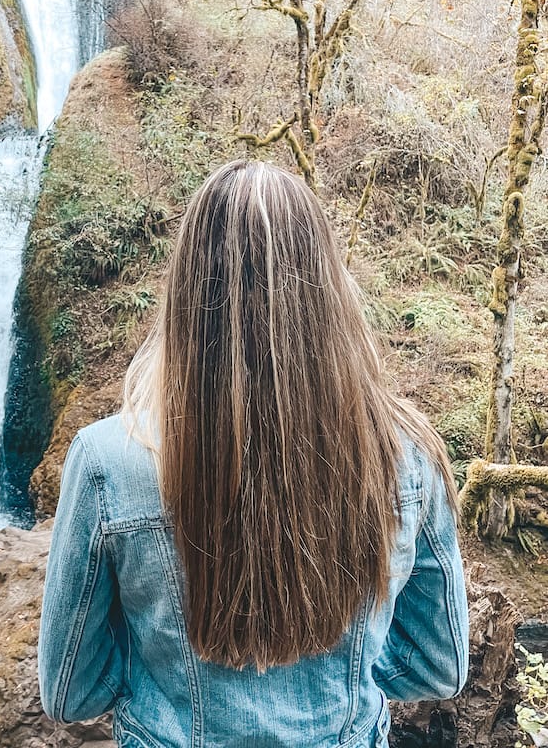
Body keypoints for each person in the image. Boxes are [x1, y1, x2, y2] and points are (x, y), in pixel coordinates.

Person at [37, 159, 469, 748]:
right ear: (329, 292)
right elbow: (438, 668)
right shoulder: (407, 454)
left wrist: (158, 674)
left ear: (186, 294)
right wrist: (351, 664)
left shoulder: (108, 462)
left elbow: (70, 692)